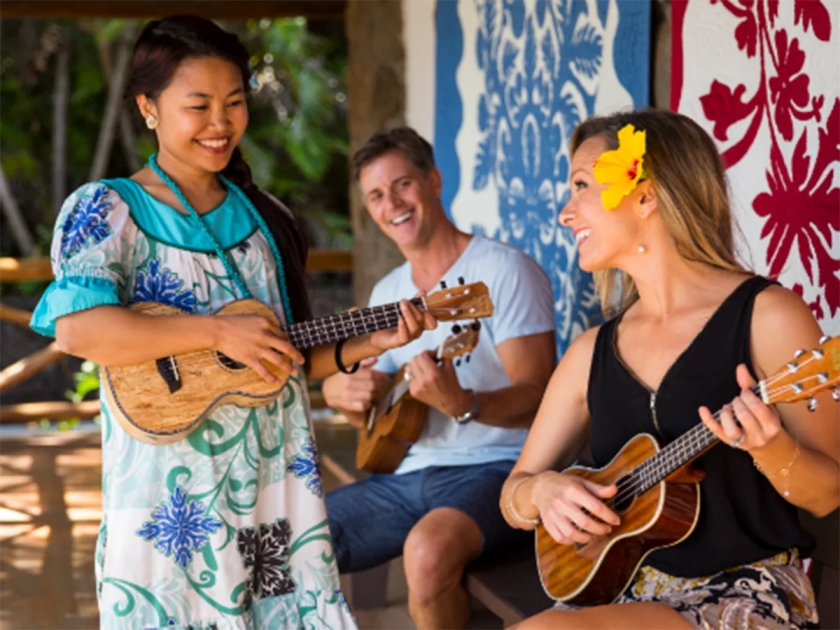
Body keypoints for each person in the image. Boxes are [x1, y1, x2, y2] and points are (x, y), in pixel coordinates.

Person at [29, 16, 435, 630]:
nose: (221, 124)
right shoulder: (106, 209)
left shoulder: (267, 217)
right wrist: (217, 332)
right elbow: (79, 332)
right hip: (172, 505)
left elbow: (283, 358)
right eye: (198, 105)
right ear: (148, 107)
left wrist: (365, 345)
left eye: (235, 103)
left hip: (274, 494)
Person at [500, 109, 839, 629]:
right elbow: (513, 493)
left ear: (645, 194)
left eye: (582, 185)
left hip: (743, 593)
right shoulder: (592, 350)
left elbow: (829, 494)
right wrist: (541, 492)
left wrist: (771, 450)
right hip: (616, 592)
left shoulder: (767, 317)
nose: (566, 213)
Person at [322, 127, 557, 629]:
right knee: (296, 541)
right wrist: (343, 393)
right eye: (377, 196)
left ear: (433, 180)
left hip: (499, 469)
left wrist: (465, 403)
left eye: (403, 184)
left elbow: (540, 398)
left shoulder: (503, 271)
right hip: (406, 474)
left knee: (426, 555)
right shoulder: (390, 291)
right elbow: (375, 403)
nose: (393, 205)